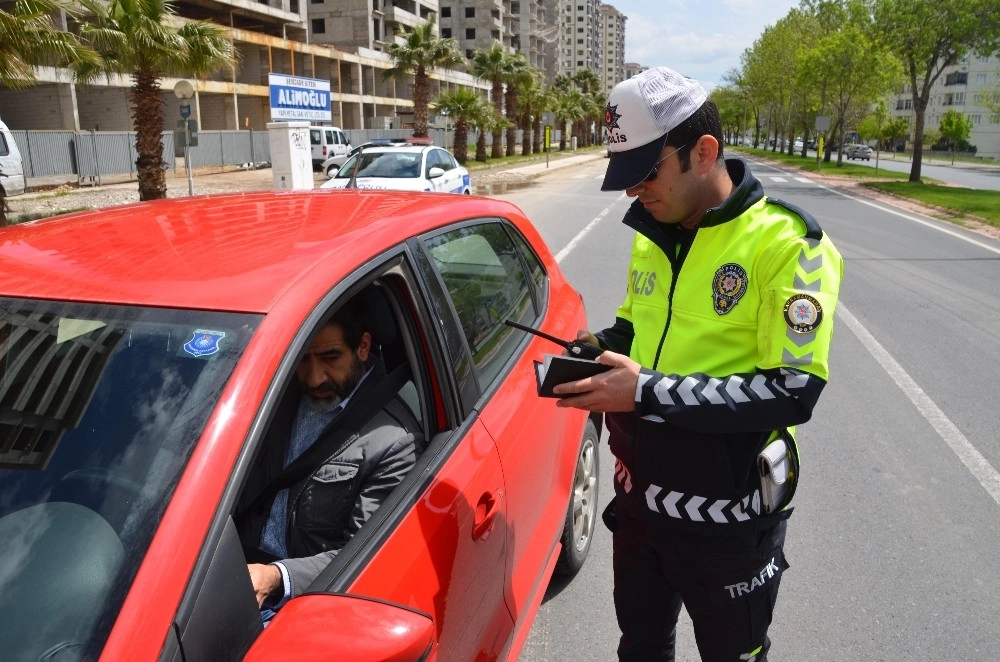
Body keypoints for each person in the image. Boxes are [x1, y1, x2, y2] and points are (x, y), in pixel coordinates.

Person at [553, 67, 843, 661]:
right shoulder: (651, 231)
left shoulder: (790, 245)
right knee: (640, 646)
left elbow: (792, 392)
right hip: (640, 506)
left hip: (731, 521)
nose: (635, 192)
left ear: (703, 152)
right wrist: (591, 348)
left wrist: (647, 392)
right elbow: (636, 332)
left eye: (647, 172)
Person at [236, 295, 422, 619]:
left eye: (330, 357)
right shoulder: (274, 392)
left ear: (363, 347)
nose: (313, 378)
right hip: (231, 566)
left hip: (297, 602)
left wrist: (276, 578)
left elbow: (360, 558)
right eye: (303, 359)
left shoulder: (394, 443)